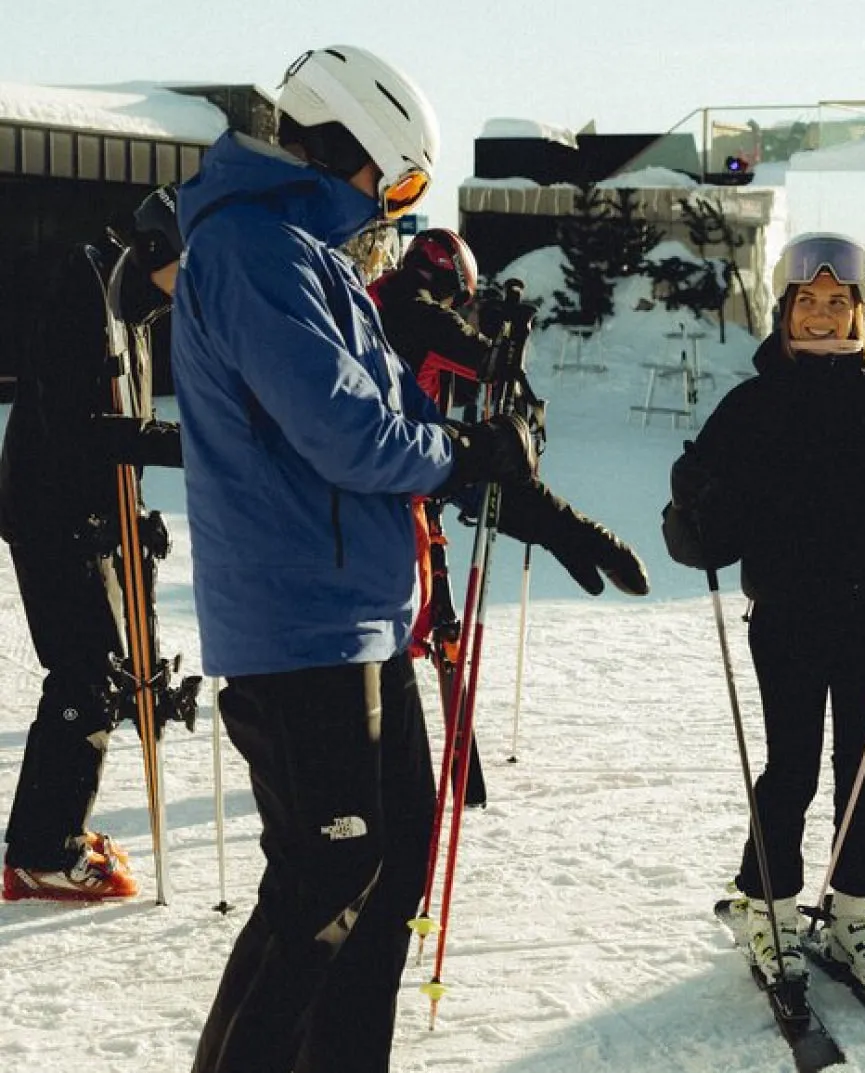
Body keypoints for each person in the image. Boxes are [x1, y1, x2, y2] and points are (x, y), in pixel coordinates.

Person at [171, 46, 648, 1073]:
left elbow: (403, 417)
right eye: (398, 185)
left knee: (385, 881)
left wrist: (523, 495)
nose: (395, 210)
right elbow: (346, 432)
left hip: (362, 616)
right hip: (301, 624)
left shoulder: (312, 259)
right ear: (351, 150)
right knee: (322, 882)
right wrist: (457, 455)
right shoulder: (254, 249)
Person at [661, 232, 865, 990]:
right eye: (807, 302)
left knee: (864, 764)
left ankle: (852, 907)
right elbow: (703, 539)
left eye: (836, 303)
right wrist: (692, 504)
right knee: (790, 766)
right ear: (785, 309)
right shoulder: (750, 406)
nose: (821, 316)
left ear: (861, 311)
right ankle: (770, 906)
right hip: (783, 608)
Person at [0, 186, 191, 902]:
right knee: (86, 674)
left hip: (86, 511)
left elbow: (118, 420)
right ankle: (43, 851)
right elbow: (74, 426)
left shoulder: (133, 303)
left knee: (103, 670)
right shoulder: (83, 289)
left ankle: (50, 835)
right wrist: (187, 443)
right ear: (154, 250)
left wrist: (133, 513)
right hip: (50, 513)